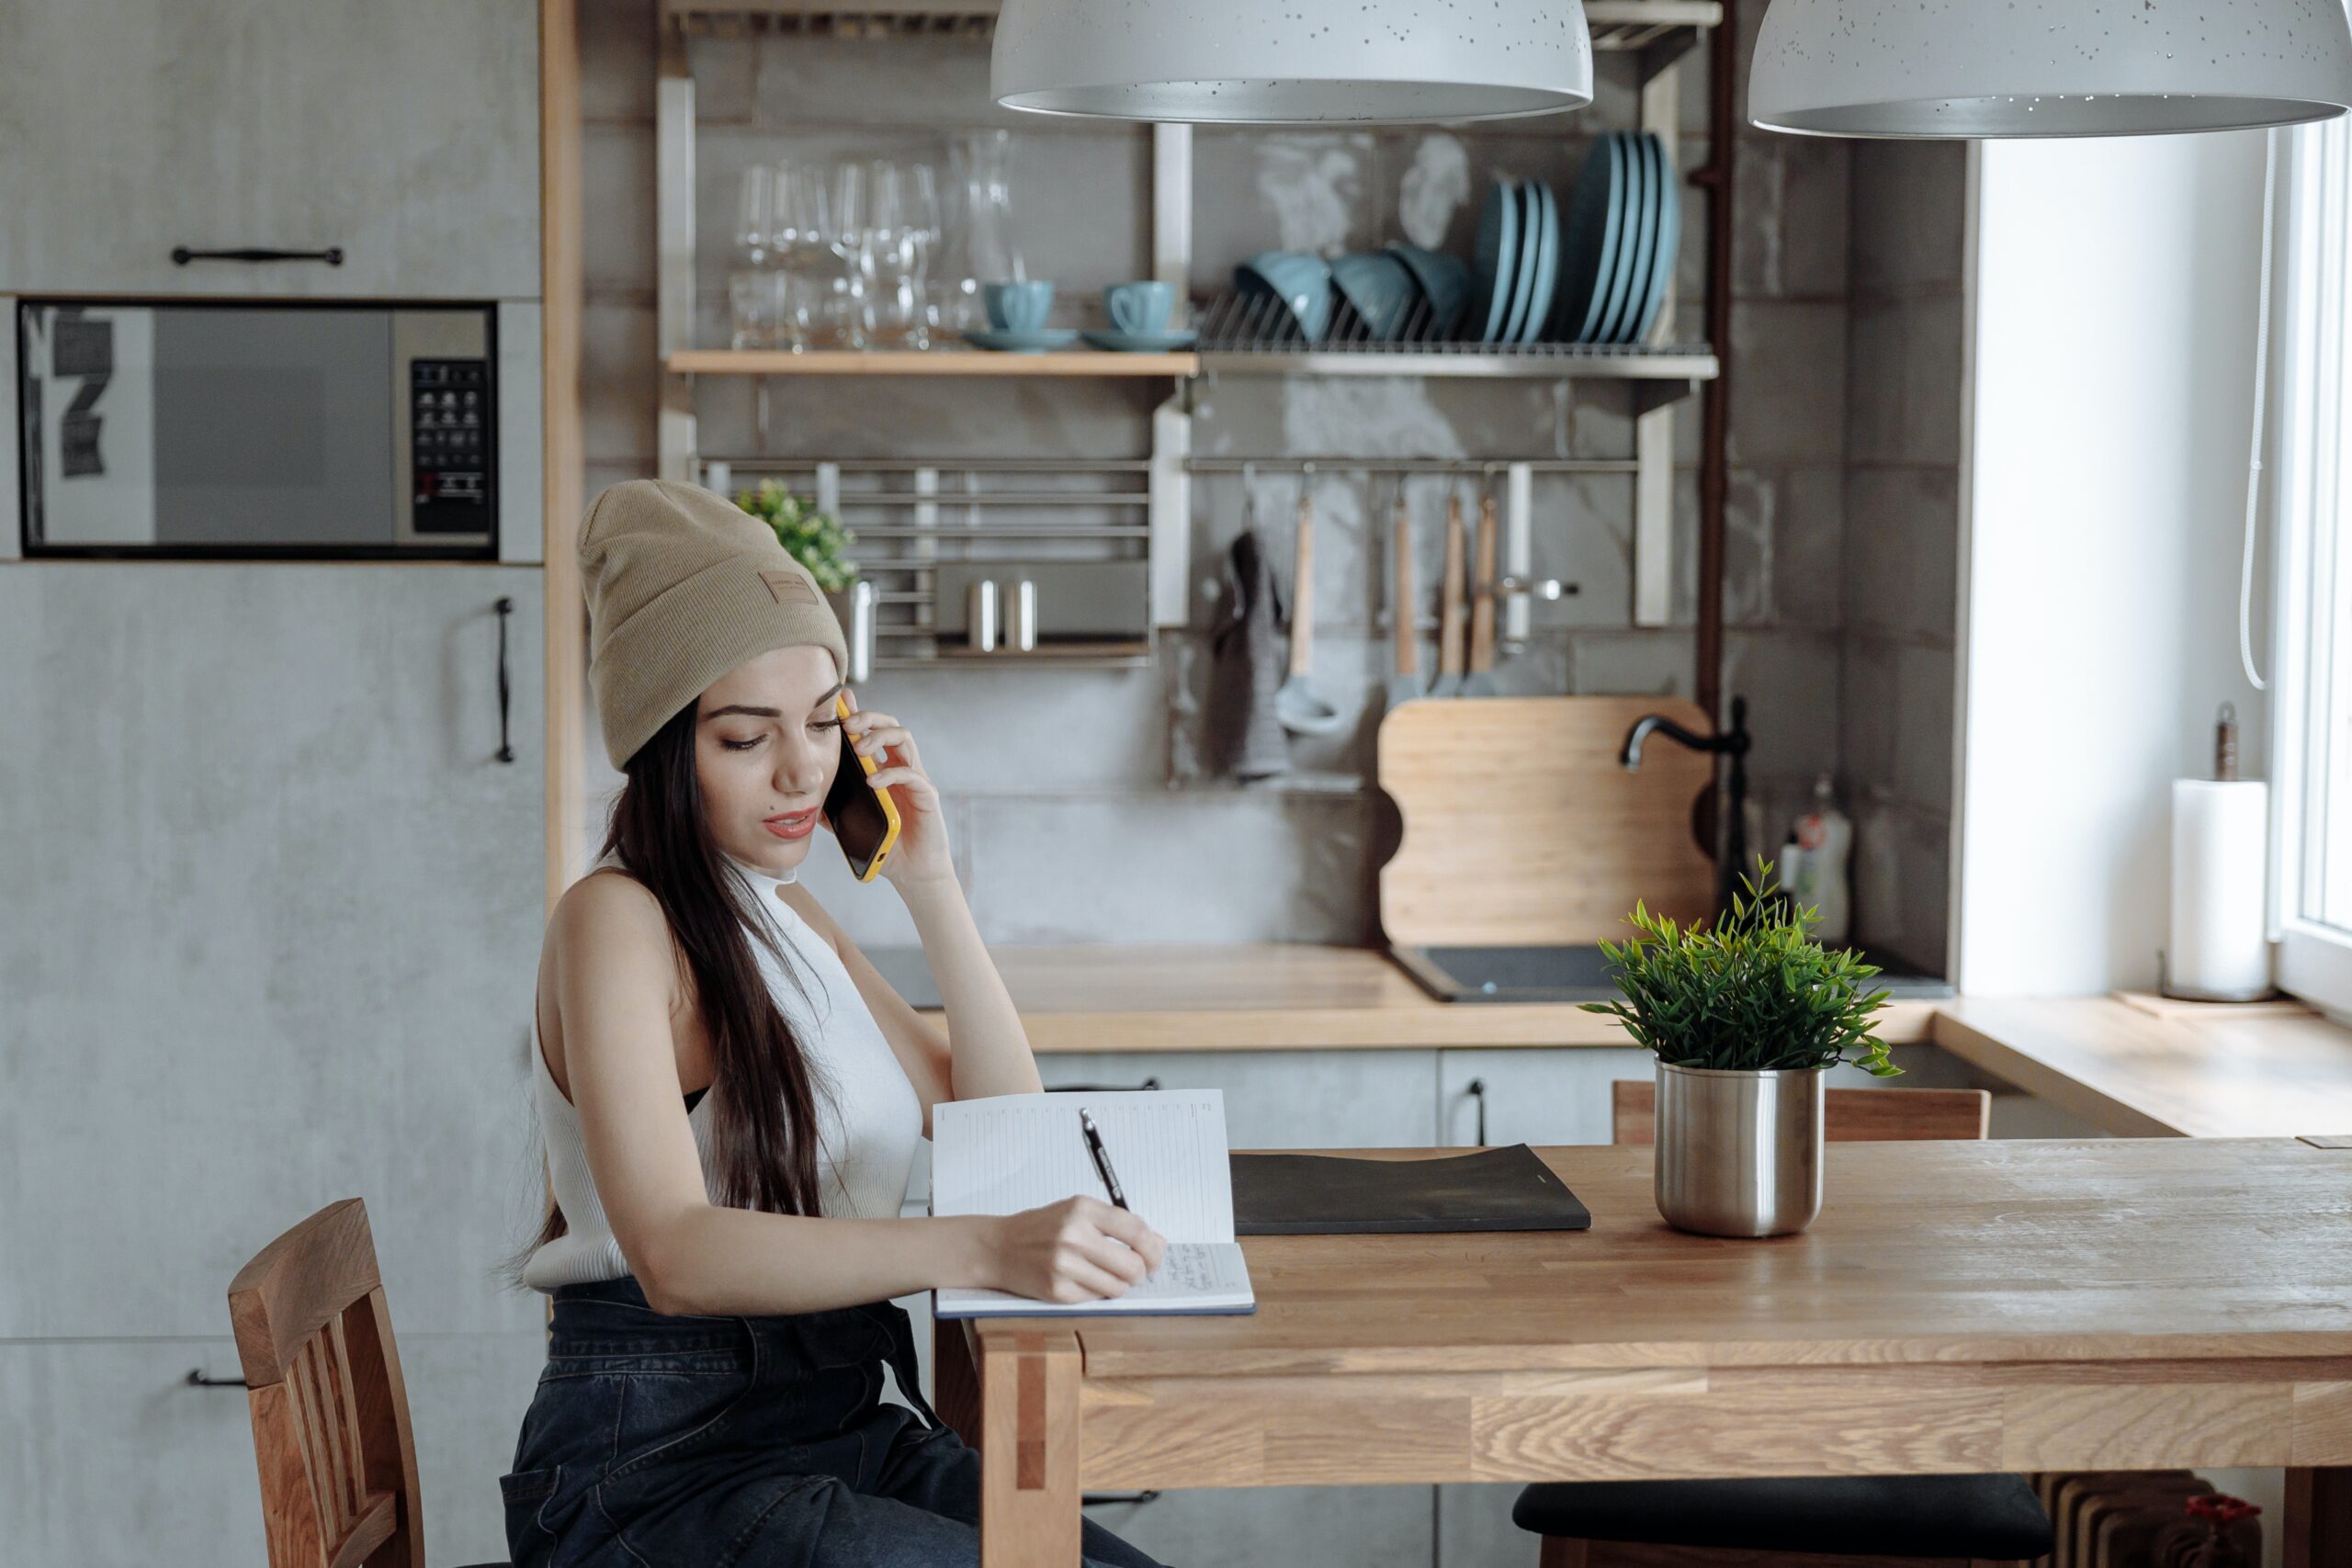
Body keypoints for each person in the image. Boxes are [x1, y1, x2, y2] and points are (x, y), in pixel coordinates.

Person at [501, 479, 1170, 1568]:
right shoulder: (612, 921)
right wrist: (989, 1247)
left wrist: (933, 887)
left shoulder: (785, 908)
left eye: (823, 722)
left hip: (839, 1429)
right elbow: (672, 1252)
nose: (804, 770)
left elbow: (1001, 1122)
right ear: (666, 749)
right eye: (744, 737)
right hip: (658, 1475)